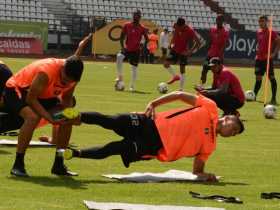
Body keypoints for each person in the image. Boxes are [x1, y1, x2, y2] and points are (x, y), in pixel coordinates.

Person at [63, 91, 244, 182]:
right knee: (112, 120)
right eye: (234, 129)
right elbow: (180, 95)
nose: (232, 133)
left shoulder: (210, 146)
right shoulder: (210, 107)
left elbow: (197, 171)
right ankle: (77, 115)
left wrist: (207, 176)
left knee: (114, 148)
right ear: (227, 118)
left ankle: (75, 153)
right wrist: (153, 103)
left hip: (153, 146)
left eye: (235, 134)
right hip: (151, 122)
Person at [3, 34, 92, 177]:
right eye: (63, 79)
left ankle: (59, 163)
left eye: (68, 82)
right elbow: (31, 99)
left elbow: (67, 98)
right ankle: (18, 164)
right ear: (62, 69)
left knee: (67, 118)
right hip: (18, 89)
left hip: (44, 95)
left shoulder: (72, 77)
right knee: (32, 118)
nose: (64, 83)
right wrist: (49, 118)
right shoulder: (46, 71)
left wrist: (69, 114)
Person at [164, 17, 201, 91]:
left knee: (182, 69)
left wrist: (190, 51)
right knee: (165, 64)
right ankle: (175, 76)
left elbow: (198, 43)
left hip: (183, 51)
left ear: (184, 25)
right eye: (177, 26)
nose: (178, 27)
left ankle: (181, 89)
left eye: (179, 26)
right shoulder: (176, 25)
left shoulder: (190, 30)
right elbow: (175, 34)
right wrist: (171, 43)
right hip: (174, 49)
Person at [115, 10, 148, 91]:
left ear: (140, 17)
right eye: (134, 15)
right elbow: (121, 37)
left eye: (137, 15)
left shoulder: (142, 28)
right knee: (119, 56)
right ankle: (120, 77)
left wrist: (143, 47)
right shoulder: (127, 25)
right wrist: (122, 47)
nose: (135, 17)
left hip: (136, 51)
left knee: (134, 68)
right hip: (127, 49)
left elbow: (147, 39)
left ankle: (132, 86)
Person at [253, 15, 280, 105]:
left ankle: (273, 98)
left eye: (263, 21)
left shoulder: (271, 32)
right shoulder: (259, 32)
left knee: (271, 78)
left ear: (267, 22)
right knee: (258, 78)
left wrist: (274, 54)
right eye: (260, 21)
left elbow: (278, 41)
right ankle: (254, 96)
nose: (261, 23)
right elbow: (260, 44)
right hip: (258, 59)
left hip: (267, 59)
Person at [200, 14, 229, 84]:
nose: (218, 21)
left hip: (218, 56)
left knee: (218, 74)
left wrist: (220, 56)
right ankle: (201, 85)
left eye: (220, 20)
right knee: (204, 69)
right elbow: (210, 40)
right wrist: (208, 49)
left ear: (223, 21)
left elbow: (225, 44)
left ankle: (216, 87)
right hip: (210, 54)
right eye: (217, 20)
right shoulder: (213, 29)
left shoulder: (225, 31)